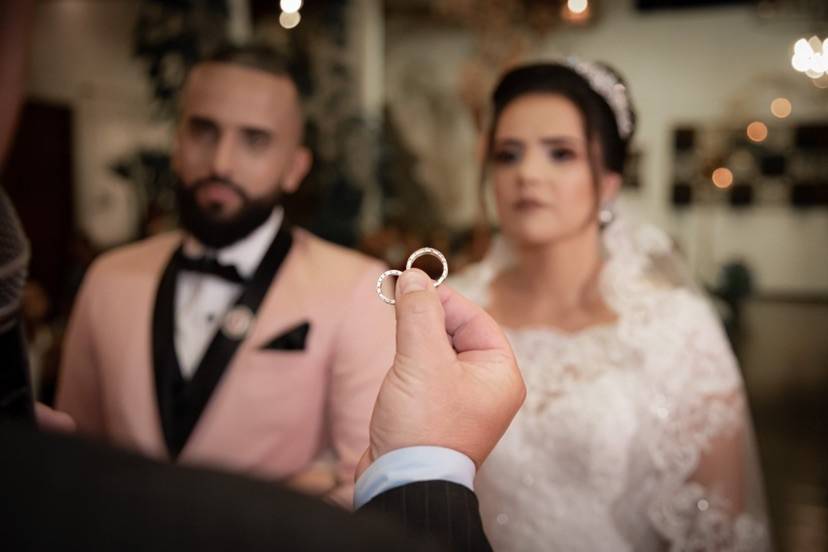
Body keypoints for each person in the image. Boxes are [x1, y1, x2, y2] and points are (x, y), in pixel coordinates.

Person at [450, 61, 772, 550]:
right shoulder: (453, 310)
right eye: (507, 154)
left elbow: (718, 526)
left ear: (610, 182)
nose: (527, 174)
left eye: (561, 153)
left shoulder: (674, 326)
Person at [55, 44, 395, 507]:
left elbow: (368, 480)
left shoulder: (358, 287)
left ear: (295, 168)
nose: (221, 164)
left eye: (254, 140)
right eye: (203, 131)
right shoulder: (108, 278)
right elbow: (72, 454)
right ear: (177, 143)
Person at [3, 269, 526, 552]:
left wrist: (418, 457)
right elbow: (79, 438)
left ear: (296, 164)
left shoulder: (347, 281)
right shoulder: (110, 277)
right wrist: (427, 460)